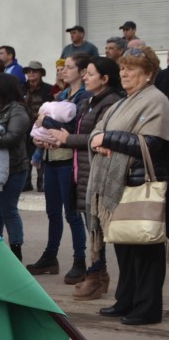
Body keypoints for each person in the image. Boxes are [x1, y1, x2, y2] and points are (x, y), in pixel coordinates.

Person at [90, 47, 169, 326]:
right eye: (122, 67)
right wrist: (99, 140)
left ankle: (147, 308)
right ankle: (126, 300)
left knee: (145, 248)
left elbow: (151, 143)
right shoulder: (122, 101)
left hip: (141, 182)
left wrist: (107, 140)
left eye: (131, 68)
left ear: (148, 74)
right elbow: (95, 132)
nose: (124, 73)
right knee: (124, 245)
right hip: (119, 183)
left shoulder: (156, 101)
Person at [43, 57, 122, 300]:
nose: (86, 77)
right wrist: (57, 137)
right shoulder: (90, 101)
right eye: (85, 73)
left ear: (105, 79)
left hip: (98, 171)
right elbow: (82, 134)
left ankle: (97, 273)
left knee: (98, 226)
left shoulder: (111, 103)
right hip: (83, 169)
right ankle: (97, 274)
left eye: (90, 73)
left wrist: (67, 140)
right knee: (92, 225)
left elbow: (99, 138)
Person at [27, 53, 90, 283]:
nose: (64, 71)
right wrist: (41, 136)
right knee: (52, 212)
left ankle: (80, 261)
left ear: (82, 72)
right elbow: (45, 122)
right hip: (51, 156)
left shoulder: (85, 96)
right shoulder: (63, 94)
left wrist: (46, 122)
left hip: (68, 160)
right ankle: (50, 257)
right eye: (64, 67)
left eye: (69, 67)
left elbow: (73, 127)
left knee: (72, 213)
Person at [0, 73, 30, 260]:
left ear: (4, 87)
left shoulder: (17, 109)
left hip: (14, 168)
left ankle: (15, 253)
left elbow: (13, 137)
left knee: (8, 210)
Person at [22, 61, 54, 192]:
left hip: (41, 126)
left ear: (41, 73)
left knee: (40, 153)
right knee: (25, 154)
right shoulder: (21, 87)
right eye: (29, 71)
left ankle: (41, 182)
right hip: (24, 126)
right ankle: (26, 182)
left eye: (34, 71)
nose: (31, 73)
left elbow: (51, 108)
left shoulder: (48, 89)